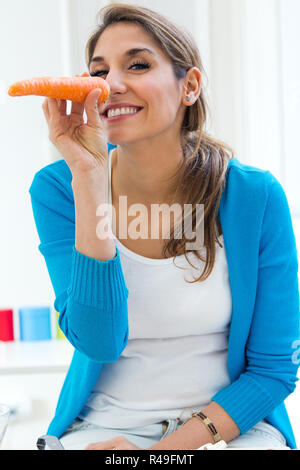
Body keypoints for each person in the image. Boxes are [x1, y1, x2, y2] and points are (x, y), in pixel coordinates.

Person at [29, 3, 299, 450]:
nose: (111, 85)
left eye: (137, 64)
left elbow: (273, 369)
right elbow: (98, 341)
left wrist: (161, 455)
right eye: (98, 72)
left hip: (230, 431)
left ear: (189, 85)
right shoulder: (61, 188)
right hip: (104, 430)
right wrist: (91, 179)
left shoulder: (254, 197)